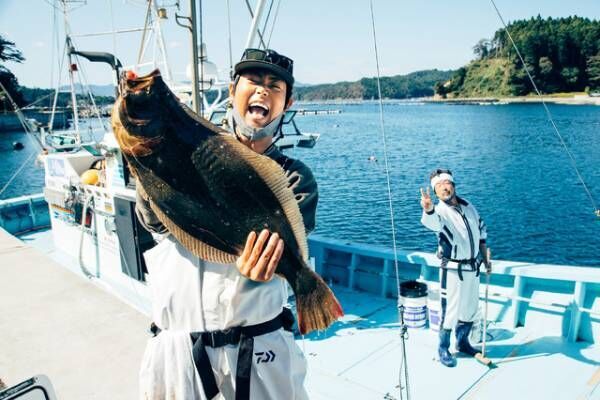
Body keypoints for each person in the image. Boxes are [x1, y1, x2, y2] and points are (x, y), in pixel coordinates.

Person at [136, 48, 317, 399]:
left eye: (274, 86)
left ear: (287, 102)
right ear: (232, 91)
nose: (263, 90)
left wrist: (274, 266)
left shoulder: (294, 177)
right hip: (176, 346)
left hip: (258, 346)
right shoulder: (187, 150)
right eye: (253, 81)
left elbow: (286, 248)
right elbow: (154, 224)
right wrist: (147, 165)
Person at [419, 169, 491, 368]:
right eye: (438, 186)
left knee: (470, 309)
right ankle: (443, 347)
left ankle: (463, 342)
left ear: (453, 185)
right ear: (435, 191)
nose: (443, 188)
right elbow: (432, 224)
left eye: (446, 183)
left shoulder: (469, 207)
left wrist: (485, 258)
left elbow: (482, 231)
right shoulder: (439, 211)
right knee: (450, 311)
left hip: (473, 267)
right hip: (452, 269)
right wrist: (428, 209)